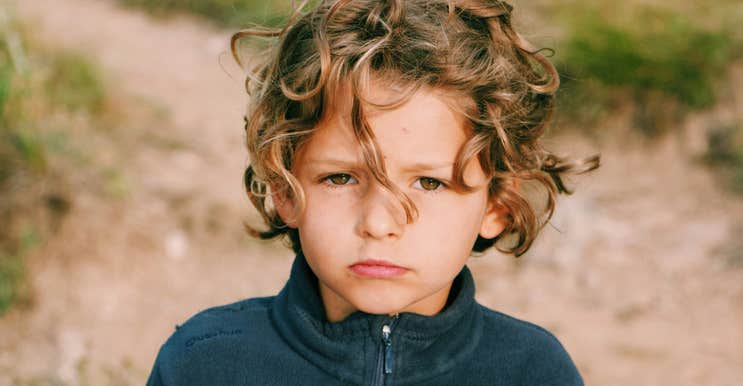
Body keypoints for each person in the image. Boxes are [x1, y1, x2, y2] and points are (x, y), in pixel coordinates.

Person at [146, 0, 599, 384]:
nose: (379, 224)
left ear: (497, 204)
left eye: (429, 183)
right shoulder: (204, 365)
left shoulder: (532, 372)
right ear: (284, 187)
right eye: (341, 178)